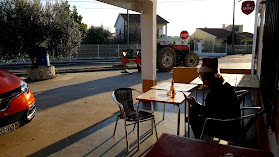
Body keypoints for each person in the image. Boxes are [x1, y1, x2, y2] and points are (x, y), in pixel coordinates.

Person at [186, 57, 241, 140]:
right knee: (193, 110)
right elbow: (214, 111)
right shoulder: (222, 85)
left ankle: (199, 139)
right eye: (201, 77)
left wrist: (195, 104)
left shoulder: (217, 91)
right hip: (231, 123)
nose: (202, 81)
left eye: (203, 77)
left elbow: (209, 113)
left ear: (211, 76)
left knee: (193, 114)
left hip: (225, 127)